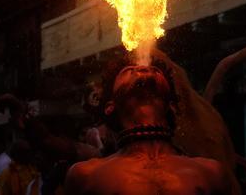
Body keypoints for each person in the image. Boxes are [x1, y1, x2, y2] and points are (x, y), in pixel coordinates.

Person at [63, 63, 230, 195]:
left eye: (155, 70)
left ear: (171, 106)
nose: (143, 67)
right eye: (128, 70)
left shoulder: (211, 172)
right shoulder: (86, 176)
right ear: (110, 106)